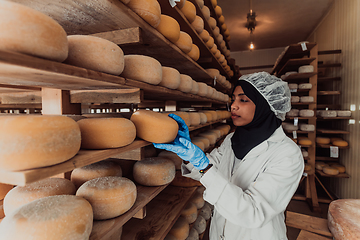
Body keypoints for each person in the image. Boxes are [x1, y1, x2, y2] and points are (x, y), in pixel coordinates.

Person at [154, 72, 304, 240]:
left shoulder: (287, 154)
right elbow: (212, 169)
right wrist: (191, 157)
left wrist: (204, 166)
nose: (233, 105)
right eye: (233, 99)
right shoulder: (233, 139)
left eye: (243, 99)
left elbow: (253, 212)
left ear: (265, 105)